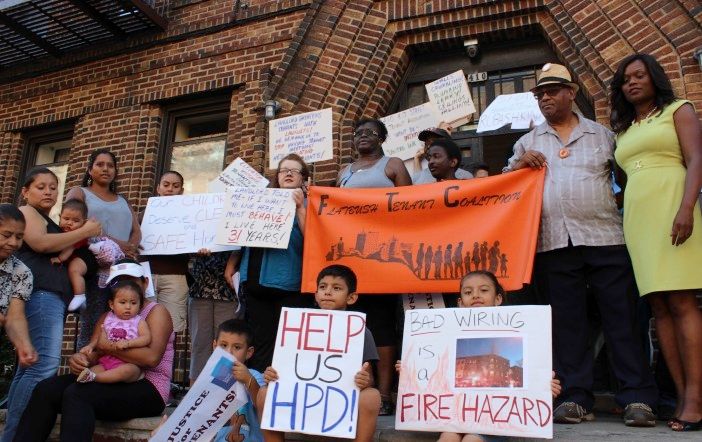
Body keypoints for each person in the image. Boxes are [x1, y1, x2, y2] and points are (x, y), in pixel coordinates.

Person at [503, 63, 658, 426]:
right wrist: (517, 166)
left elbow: (624, 181)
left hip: (605, 238)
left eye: (553, 90)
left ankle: (637, 398)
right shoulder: (527, 142)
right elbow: (505, 192)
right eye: (539, 93)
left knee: (621, 318)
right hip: (553, 243)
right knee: (568, 324)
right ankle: (575, 397)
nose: (545, 98)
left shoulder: (603, 135)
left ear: (571, 93)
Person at [610, 53, 702, 432]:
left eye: (639, 76)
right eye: (625, 79)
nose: (632, 83)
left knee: (681, 300)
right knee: (658, 308)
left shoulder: (679, 109)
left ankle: (695, 400)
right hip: (638, 220)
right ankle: (680, 396)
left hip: (673, 209)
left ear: (654, 78)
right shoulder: (625, 129)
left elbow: (697, 158)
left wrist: (686, 208)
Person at [14, 258, 174, 442]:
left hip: (148, 386)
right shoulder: (108, 316)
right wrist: (80, 359)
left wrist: (108, 347)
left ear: (145, 283)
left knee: (78, 394)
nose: (126, 287)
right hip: (108, 374)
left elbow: (151, 358)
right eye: (118, 282)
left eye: (132, 280)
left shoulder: (156, 312)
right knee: (46, 389)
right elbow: (94, 353)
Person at [396, 270, 562, 442]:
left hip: (496, 418)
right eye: (468, 292)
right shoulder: (446, 334)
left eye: (483, 290)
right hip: (457, 415)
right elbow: (436, 374)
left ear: (498, 299)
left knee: (471, 439)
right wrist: (412, 371)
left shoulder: (520, 329)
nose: (475, 295)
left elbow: (530, 379)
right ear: (460, 302)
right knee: (448, 438)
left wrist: (544, 389)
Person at [2, 168, 101, 442]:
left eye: (53, 187)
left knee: (29, 367)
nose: (48, 192)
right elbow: (41, 243)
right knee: (43, 366)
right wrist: (86, 230)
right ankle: (16, 435)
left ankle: (12, 432)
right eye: (41, 187)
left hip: (48, 296)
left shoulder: (46, 218)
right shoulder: (27, 213)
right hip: (42, 294)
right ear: (25, 191)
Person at [336, 118, 411, 415]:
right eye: (359, 133)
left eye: (371, 133)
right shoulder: (344, 171)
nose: (363, 137)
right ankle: (353, 385)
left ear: (381, 139)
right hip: (351, 255)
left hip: (383, 254)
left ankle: (384, 393)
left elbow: (412, 204)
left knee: (380, 323)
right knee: (353, 322)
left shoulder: (392, 165)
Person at [256, 264, 381, 442]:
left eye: (336, 288)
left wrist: (364, 380)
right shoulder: (296, 326)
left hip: (340, 405)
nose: (328, 292)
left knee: (371, 396)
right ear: (316, 295)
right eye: (322, 287)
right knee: (264, 393)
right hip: (300, 402)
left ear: (351, 297)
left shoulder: (360, 331)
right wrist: (272, 374)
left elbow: (369, 380)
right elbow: (285, 369)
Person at [226, 153, 312, 373]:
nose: (289, 174)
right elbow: (238, 234)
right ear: (278, 176)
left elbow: (314, 240)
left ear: (304, 178)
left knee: (288, 343)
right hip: (254, 282)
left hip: (288, 284)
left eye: (295, 170)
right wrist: (232, 265)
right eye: (284, 170)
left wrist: (301, 208)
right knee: (260, 341)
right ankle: (259, 395)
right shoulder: (259, 198)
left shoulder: (311, 204)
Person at [66, 149, 142, 348]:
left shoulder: (123, 199)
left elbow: (136, 229)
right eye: (100, 164)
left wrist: (131, 247)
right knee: (93, 325)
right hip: (93, 266)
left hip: (123, 270)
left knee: (124, 324)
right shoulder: (80, 192)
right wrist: (120, 244)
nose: (105, 169)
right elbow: (73, 223)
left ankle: (112, 369)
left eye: (110, 165)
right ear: (90, 170)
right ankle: (83, 370)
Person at [53, 199, 124, 312]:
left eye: (75, 220)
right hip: (78, 258)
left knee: (74, 270)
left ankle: (79, 296)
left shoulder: (78, 234)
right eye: (66, 219)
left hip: (84, 259)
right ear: (60, 217)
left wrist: (59, 258)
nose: (70, 223)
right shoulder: (61, 232)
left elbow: (69, 248)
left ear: (83, 223)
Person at [76, 280, 152, 384]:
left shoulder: (138, 321)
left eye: (133, 303)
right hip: (108, 360)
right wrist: (90, 346)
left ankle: (95, 378)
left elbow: (146, 338)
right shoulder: (108, 318)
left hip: (129, 362)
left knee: (127, 371)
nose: (128, 307)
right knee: (91, 371)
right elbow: (100, 336)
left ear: (140, 305)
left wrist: (128, 343)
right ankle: (92, 377)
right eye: (123, 302)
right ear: (112, 304)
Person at [145, 171, 189, 333]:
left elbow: (198, 240)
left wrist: (202, 249)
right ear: (158, 188)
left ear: (181, 191)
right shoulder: (144, 214)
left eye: (175, 186)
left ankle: (166, 360)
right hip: (146, 276)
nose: (170, 189)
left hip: (175, 276)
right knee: (144, 325)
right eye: (166, 185)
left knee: (171, 328)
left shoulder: (191, 217)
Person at [0, 204, 37, 367]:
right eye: (6, 235)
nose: (13, 242)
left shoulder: (22, 272)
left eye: (19, 237)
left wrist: (24, 344)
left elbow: (15, 316)